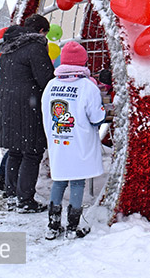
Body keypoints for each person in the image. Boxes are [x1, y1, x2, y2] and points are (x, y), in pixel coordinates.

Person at [41, 41, 107, 239]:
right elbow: (96, 117)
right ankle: (72, 226)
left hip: (59, 142)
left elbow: (45, 113)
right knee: (77, 182)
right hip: (80, 143)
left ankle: (53, 226)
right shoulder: (88, 87)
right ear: (83, 62)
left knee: (59, 181)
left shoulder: (51, 85)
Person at [0, 14, 55, 213]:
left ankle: (12, 195)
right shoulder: (35, 48)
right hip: (28, 107)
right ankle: (25, 200)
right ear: (40, 31)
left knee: (15, 150)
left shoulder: (6, 48)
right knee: (32, 152)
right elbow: (46, 80)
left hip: (7, 104)